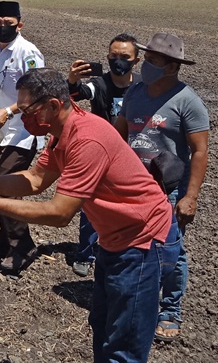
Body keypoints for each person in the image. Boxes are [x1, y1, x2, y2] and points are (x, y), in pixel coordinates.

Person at [0, 68, 174, 362]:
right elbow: (35, 178)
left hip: (142, 241)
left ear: (53, 105)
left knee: (124, 345)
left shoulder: (87, 140)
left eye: (26, 110)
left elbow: (59, 213)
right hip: (114, 239)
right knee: (103, 326)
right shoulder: (60, 132)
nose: (21, 117)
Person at [114, 32, 210, 343]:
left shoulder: (187, 101)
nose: (146, 66)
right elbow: (120, 132)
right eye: (148, 60)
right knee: (131, 243)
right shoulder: (136, 92)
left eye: (154, 62)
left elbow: (200, 151)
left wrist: (190, 198)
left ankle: (169, 310)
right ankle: (135, 298)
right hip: (133, 185)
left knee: (171, 252)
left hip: (167, 190)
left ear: (172, 67)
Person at [0, 1, 45, 273]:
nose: (2, 28)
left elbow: (37, 92)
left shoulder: (28, 52)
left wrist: (9, 110)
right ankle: (5, 243)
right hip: (0, 132)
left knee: (3, 188)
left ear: (19, 24)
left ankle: (23, 247)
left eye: (8, 23)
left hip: (23, 132)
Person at [67, 33, 142, 277]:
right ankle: (86, 253)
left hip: (132, 157)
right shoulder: (99, 84)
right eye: (113, 56)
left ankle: (122, 250)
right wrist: (72, 81)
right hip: (100, 155)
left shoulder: (142, 87)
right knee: (92, 206)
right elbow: (78, 94)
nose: (118, 61)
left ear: (136, 60)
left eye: (125, 57)